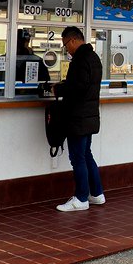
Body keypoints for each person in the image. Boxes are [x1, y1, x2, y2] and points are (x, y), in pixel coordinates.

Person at [55, 26, 105, 212]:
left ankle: (81, 198)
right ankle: (97, 194)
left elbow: (78, 88)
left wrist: (58, 89)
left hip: (78, 117)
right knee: (86, 154)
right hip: (89, 116)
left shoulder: (80, 60)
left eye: (66, 44)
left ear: (74, 40)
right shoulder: (94, 58)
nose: (66, 49)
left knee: (77, 158)